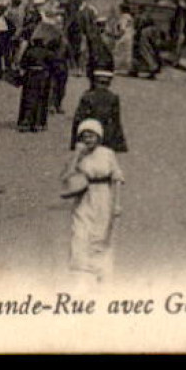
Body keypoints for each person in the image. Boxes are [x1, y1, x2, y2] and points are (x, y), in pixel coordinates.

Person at [61, 118, 124, 283]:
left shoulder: (107, 154)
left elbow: (116, 178)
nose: (88, 140)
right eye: (84, 136)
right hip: (84, 195)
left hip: (103, 195)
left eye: (91, 136)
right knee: (80, 230)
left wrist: (117, 203)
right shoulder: (78, 156)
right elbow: (65, 177)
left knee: (100, 232)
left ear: (99, 137)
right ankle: (80, 271)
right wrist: (76, 155)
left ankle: (98, 267)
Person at [17, 1, 64, 133]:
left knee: (28, 98)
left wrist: (20, 67)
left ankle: (25, 122)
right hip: (44, 75)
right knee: (42, 98)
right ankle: (39, 123)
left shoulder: (30, 47)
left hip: (30, 75)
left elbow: (22, 60)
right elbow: (54, 63)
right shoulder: (49, 45)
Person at [71, 69, 127, 152]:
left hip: (89, 133)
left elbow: (78, 119)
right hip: (106, 136)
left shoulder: (87, 96)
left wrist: (74, 142)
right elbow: (116, 121)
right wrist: (120, 144)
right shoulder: (113, 97)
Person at [110, 4, 136, 80]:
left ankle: (117, 68)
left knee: (118, 52)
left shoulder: (123, 17)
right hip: (130, 36)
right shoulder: (130, 17)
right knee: (128, 53)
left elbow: (122, 28)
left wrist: (117, 35)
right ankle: (128, 69)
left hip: (124, 36)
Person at [0, 0, 15, 81]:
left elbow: (13, 28)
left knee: (7, 56)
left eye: (1, 10)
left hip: (5, 36)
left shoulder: (7, 19)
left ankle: (8, 74)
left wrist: (8, 35)